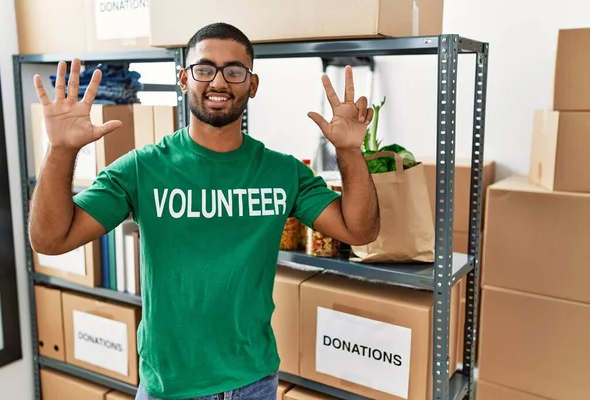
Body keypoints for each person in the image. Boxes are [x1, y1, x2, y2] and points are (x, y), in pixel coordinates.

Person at [29, 22, 380, 400]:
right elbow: (50, 240)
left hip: (254, 382)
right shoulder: (141, 169)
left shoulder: (283, 172)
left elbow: (359, 231)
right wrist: (61, 150)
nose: (218, 81)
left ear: (253, 84)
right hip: (171, 388)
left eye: (234, 71)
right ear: (183, 79)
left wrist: (348, 151)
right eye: (204, 68)